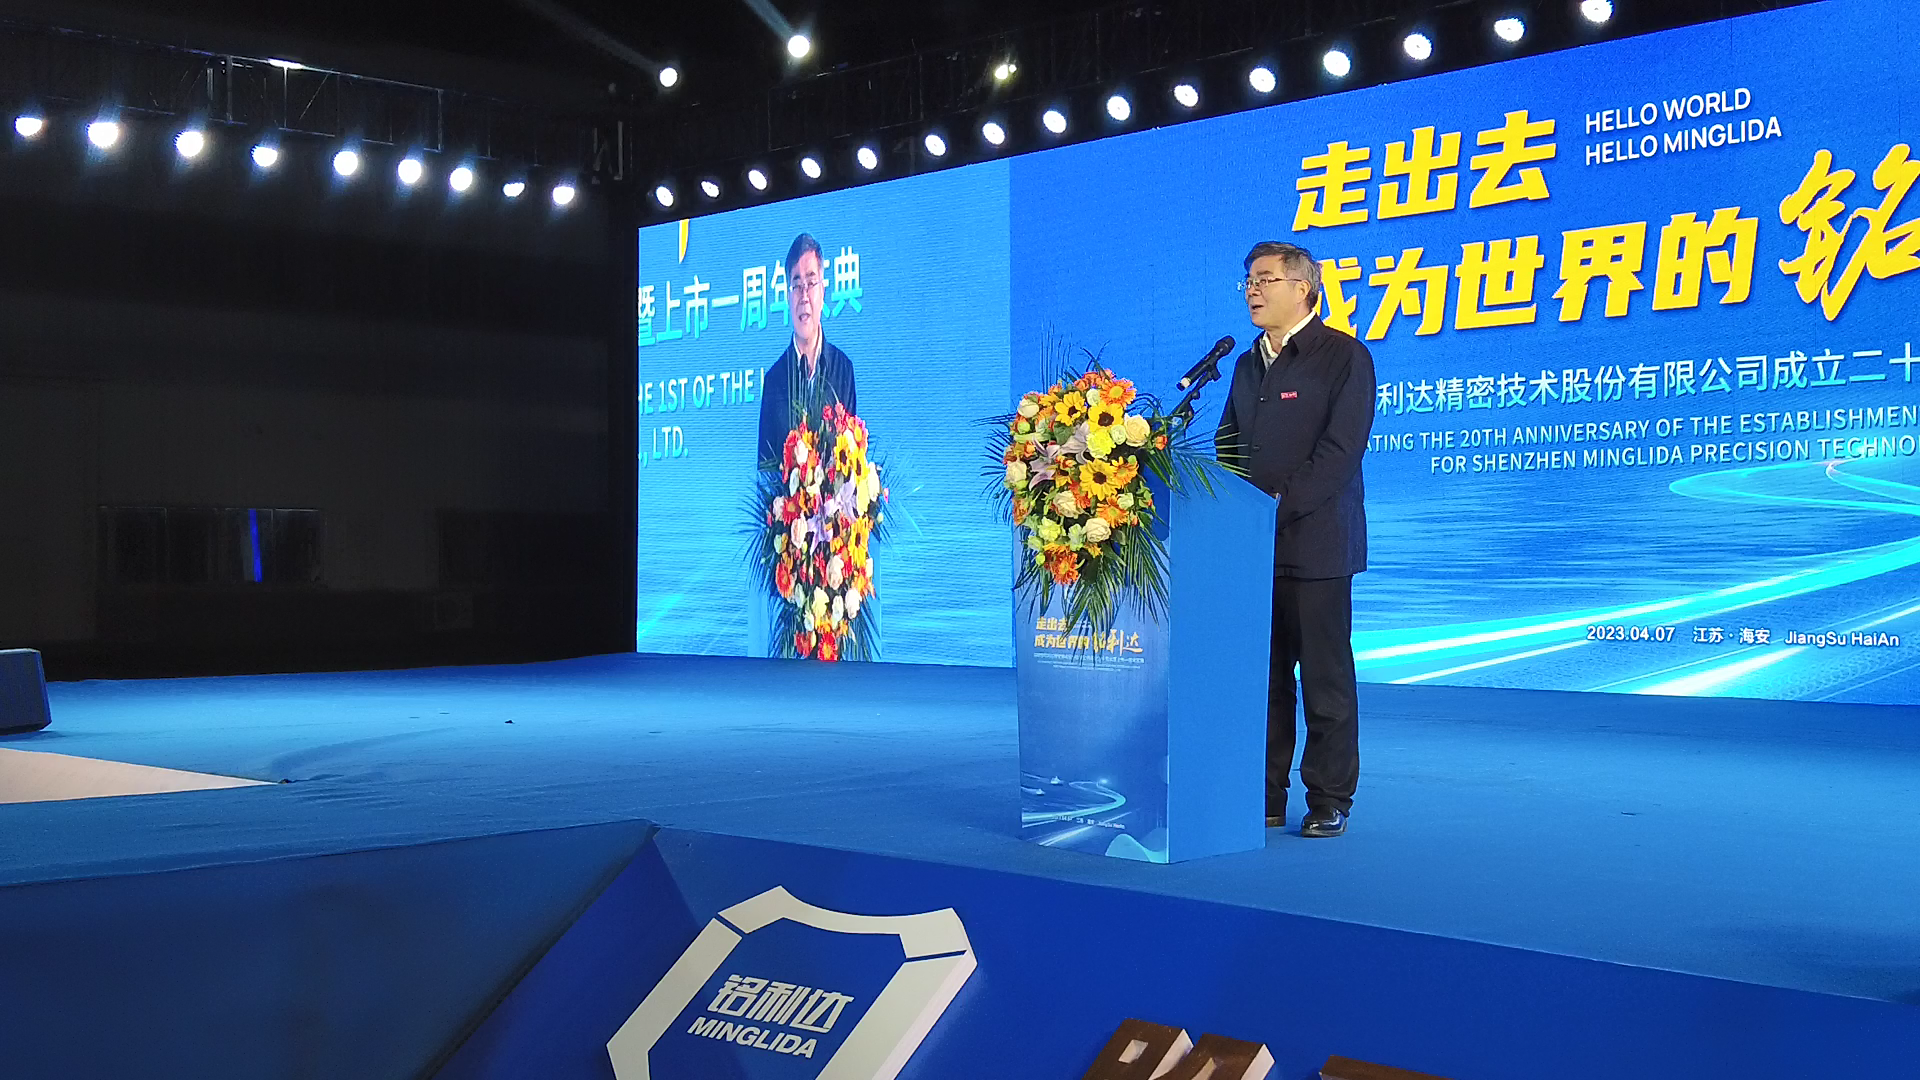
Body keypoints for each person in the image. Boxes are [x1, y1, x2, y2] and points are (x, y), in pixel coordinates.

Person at [1215, 241, 1375, 838]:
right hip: (1256, 548)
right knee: (1265, 679)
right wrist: (1232, 510)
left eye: (1265, 279)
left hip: (1319, 545)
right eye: (1248, 280)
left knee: (1325, 680)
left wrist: (1275, 507)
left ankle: (1330, 797)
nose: (1253, 290)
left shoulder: (1343, 356)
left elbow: (1340, 452)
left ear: (1303, 288)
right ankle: (1265, 794)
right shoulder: (1246, 364)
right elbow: (1228, 443)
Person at [757, 233, 857, 468]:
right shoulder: (774, 380)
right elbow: (765, 469)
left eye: (811, 283)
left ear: (822, 292)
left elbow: (853, 459)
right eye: (796, 285)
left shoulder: (843, 369)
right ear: (788, 297)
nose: (803, 296)